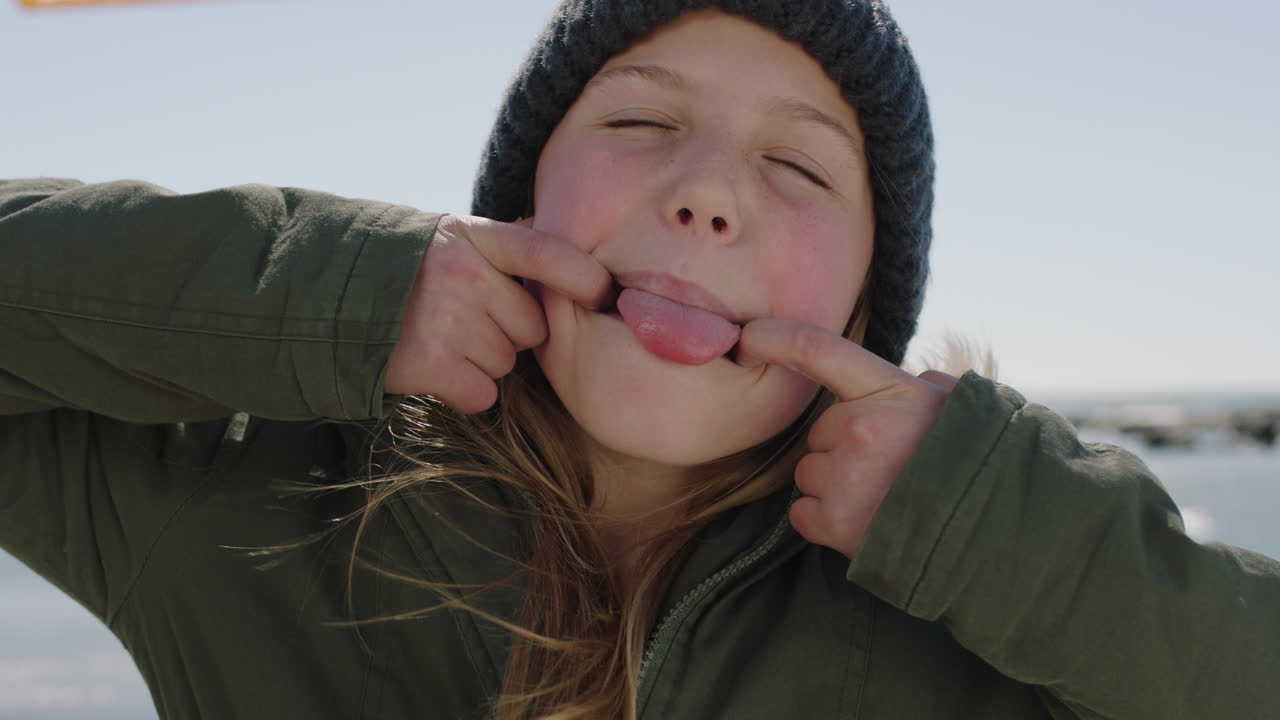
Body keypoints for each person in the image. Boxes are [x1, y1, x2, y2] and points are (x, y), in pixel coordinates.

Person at [2, 1, 1277, 719]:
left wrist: (1005, 531)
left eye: (795, 165)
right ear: (513, 207)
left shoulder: (981, 620)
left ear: (863, 303)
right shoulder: (236, 504)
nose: (707, 194)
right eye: (638, 119)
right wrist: (327, 297)